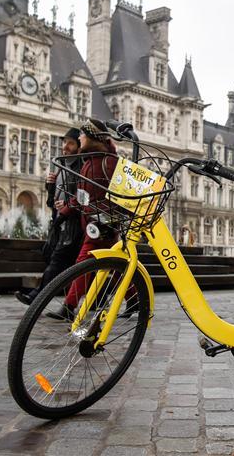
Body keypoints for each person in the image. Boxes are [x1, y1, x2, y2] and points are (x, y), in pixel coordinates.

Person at [46, 119, 137, 320]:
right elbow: (81, 196)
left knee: (83, 264)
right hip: (96, 222)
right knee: (114, 266)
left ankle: (69, 307)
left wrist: (68, 212)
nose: (79, 138)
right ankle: (134, 298)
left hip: (101, 223)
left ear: (92, 137)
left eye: (82, 135)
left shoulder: (108, 162)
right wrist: (64, 214)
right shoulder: (90, 162)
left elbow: (123, 192)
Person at [15, 127, 83, 306]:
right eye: (64, 142)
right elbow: (52, 202)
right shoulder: (61, 165)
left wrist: (68, 207)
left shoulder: (81, 167)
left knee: (57, 261)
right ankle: (94, 301)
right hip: (60, 224)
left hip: (74, 225)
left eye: (70, 143)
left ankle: (37, 297)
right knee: (63, 263)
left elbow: (84, 197)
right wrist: (50, 186)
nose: (65, 146)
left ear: (78, 146)